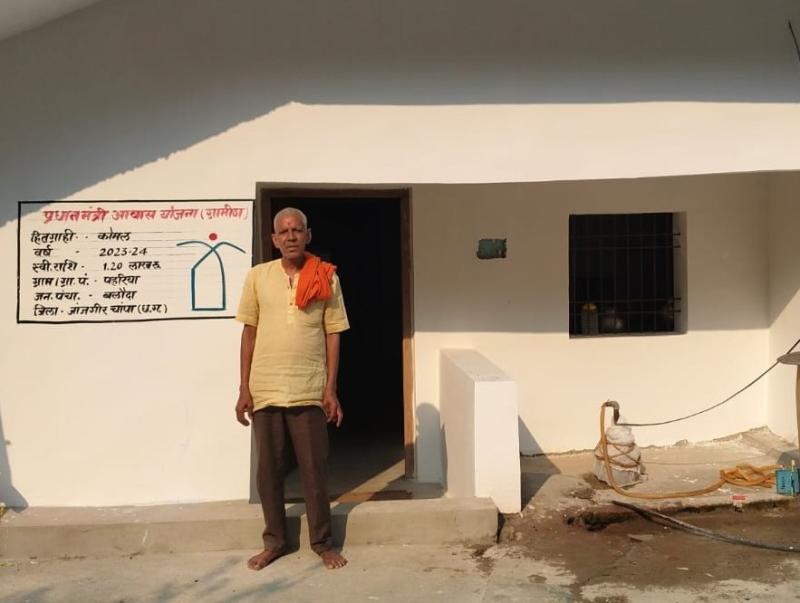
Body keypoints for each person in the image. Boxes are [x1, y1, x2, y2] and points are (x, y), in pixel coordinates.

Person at [235, 207, 349, 571]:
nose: (291, 237)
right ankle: (275, 542)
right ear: (274, 239)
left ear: (308, 235)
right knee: (268, 471)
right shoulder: (258, 276)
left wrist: (330, 388)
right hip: (265, 386)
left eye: (297, 230)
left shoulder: (325, 276)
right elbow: (249, 332)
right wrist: (244, 387)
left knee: (314, 469)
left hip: (308, 387)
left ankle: (322, 543)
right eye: (283, 232)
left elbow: (333, 333)